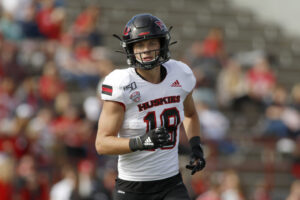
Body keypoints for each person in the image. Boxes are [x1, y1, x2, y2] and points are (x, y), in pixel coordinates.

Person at [95, 13, 206, 200]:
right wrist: (142, 142)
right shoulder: (121, 83)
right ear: (130, 49)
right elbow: (102, 143)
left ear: (162, 44)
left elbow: (190, 114)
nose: (146, 50)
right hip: (132, 187)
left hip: (171, 183)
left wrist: (196, 147)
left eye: (151, 43)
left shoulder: (180, 73)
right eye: (139, 45)